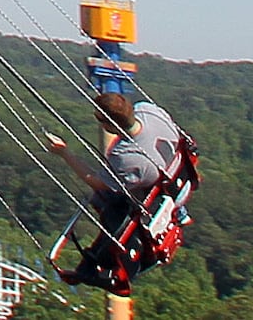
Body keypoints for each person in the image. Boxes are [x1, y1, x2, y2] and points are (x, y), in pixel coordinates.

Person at [50, 62, 197, 307]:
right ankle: (180, 212)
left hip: (153, 202)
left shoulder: (124, 156)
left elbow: (96, 182)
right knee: (149, 181)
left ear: (109, 126)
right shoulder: (150, 112)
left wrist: (65, 153)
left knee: (105, 197)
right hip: (180, 183)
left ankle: (102, 255)